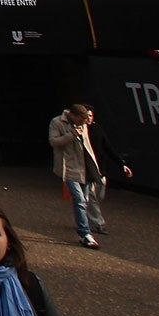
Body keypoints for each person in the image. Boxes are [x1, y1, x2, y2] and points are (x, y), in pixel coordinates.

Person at [48, 103, 130, 247]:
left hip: (85, 168)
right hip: (69, 168)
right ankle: (85, 233)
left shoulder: (86, 125)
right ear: (73, 115)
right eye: (81, 120)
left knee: (85, 200)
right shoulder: (57, 122)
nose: (83, 124)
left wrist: (97, 168)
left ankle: (85, 228)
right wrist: (72, 135)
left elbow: (89, 147)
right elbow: (54, 141)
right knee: (79, 199)